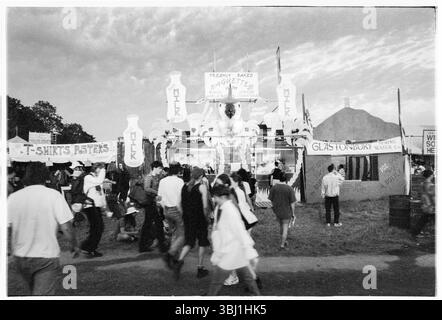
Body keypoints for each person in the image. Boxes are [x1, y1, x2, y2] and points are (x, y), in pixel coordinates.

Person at [8, 162, 80, 295]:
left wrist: (9, 248)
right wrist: (74, 245)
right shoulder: (53, 196)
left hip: (21, 256)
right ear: (45, 176)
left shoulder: (13, 198)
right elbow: (66, 227)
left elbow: (7, 228)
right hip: (46, 256)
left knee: (33, 291)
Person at [208, 185, 260, 296]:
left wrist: (248, 248)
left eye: (215, 197)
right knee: (248, 277)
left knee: (217, 280)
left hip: (230, 251)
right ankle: (257, 295)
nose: (214, 199)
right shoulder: (226, 208)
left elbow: (239, 230)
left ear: (222, 197)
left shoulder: (229, 210)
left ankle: (210, 296)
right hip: (235, 250)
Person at [173, 167, 210, 280]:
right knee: (202, 242)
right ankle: (200, 268)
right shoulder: (202, 187)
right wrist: (207, 217)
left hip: (188, 219)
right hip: (200, 219)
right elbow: (204, 206)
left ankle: (179, 263)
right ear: (200, 176)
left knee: (189, 241)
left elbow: (178, 204)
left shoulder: (184, 186)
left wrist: (185, 214)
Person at [157, 162, 185, 265]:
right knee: (182, 234)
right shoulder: (179, 181)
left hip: (166, 210)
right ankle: (171, 253)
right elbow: (182, 198)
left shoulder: (162, 181)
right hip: (177, 210)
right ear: (178, 170)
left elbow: (159, 197)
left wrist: (163, 207)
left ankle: (174, 256)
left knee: (174, 233)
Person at [139, 161, 168, 253]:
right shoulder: (149, 177)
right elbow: (146, 188)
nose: (161, 170)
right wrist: (157, 193)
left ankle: (145, 245)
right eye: (160, 168)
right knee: (154, 224)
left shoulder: (155, 177)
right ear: (155, 168)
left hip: (151, 203)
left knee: (151, 224)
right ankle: (160, 245)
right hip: (149, 204)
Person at [80, 162, 106, 257]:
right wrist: (103, 169)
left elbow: (101, 194)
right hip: (90, 206)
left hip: (96, 206)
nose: (102, 171)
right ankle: (89, 247)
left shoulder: (95, 179)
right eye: (100, 169)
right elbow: (99, 181)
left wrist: (105, 207)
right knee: (97, 227)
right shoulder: (88, 178)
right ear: (95, 169)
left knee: (98, 227)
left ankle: (88, 247)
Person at [268, 173, 296, 250]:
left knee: (281, 226)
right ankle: (282, 245)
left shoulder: (274, 188)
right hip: (287, 212)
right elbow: (292, 203)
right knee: (285, 228)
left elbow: (271, 200)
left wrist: (274, 208)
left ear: (279, 179)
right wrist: (293, 213)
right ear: (286, 180)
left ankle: (285, 240)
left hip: (277, 212)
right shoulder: (289, 188)